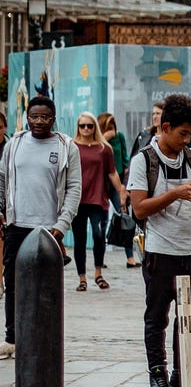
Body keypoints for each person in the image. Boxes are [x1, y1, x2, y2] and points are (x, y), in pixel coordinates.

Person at [129, 94, 191, 387]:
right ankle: (157, 373)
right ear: (165, 127)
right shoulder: (144, 160)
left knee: (189, 316)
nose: (187, 139)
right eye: (183, 133)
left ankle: (183, 373)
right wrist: (176, 193)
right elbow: (138, 208)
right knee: (157, 317)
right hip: (159, 252)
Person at [0, 97, 82, 359]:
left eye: (44, 117)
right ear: (27, 117)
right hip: (17, 225)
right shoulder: (15, 144)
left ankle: (46, 337)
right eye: (34, 117)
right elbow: (2, 179)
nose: (38, 122)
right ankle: (12, 338)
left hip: (49, 229)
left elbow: (74, 188)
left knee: (48, 287)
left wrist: (62, 224)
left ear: (53, 118)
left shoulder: (67, 147)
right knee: (12, 284)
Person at [72, 112, 125, 292]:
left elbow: (112, 173)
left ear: (95, 127)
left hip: (98, 198)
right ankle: (82, 278)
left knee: (98, 235)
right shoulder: (72, 147)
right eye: (82, 126)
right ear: (78, 127)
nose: (86, 129)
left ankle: (98, 272)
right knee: (80, 239)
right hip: (77, 200)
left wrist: (121, 192)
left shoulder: (104, 148)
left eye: (90, 125)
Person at [98, 113, 139, 269]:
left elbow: (126, 158)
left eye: (113, 125)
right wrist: (104, 138)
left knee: (125, 217)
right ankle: (99, 259)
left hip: (118, 182)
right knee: (101, 222)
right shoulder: (98, 140)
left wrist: (124, 185)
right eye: (108, 126)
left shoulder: (119, 136)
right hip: (101, 184)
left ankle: (130, 257)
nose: (112, 129)